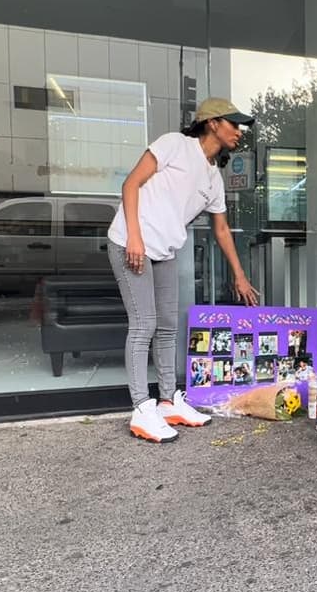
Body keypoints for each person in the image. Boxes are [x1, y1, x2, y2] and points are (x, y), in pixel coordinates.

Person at [108, 97, 260, 444]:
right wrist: (134, 236)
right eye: (233, 124)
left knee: (167, 327)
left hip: (164, 250)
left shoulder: (213, 177)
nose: (238, 131)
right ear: (212, 124)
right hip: (131, 243)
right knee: (144, 324)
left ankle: (166, 401)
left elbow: (221, 230)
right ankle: (141, 408)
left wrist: (239, 275)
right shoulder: (174, 145)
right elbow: (130, 185)